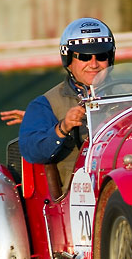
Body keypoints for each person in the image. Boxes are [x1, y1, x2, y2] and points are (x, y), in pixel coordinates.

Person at [18, 17, 115, 183]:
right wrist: (62, 128)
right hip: (79, 192)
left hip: (129, 176)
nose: (93, 64)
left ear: (110, 57)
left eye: (101, 56)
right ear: (68, 61)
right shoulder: (46, 104)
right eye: (84, 57)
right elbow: (31, 151)